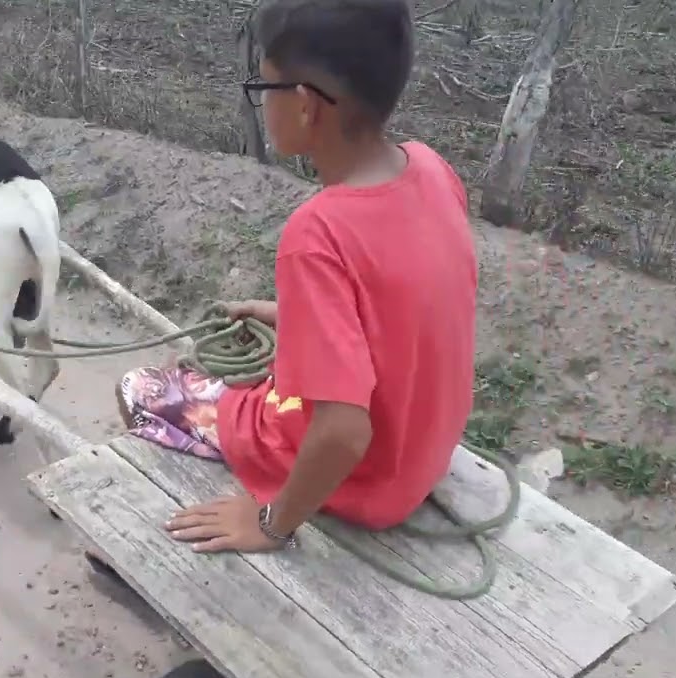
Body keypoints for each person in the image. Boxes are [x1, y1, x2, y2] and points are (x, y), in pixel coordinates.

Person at [116, 0, 478, 553]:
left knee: (140, 390)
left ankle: (206, 513)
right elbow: (403, 308)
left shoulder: (318, 233)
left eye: (264, 88)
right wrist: (298, 319)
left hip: (370, 479)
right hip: (423, 453)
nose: (263, 104)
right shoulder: (431, 169)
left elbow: (343, 431)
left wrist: (270, 524)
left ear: (305, 106)